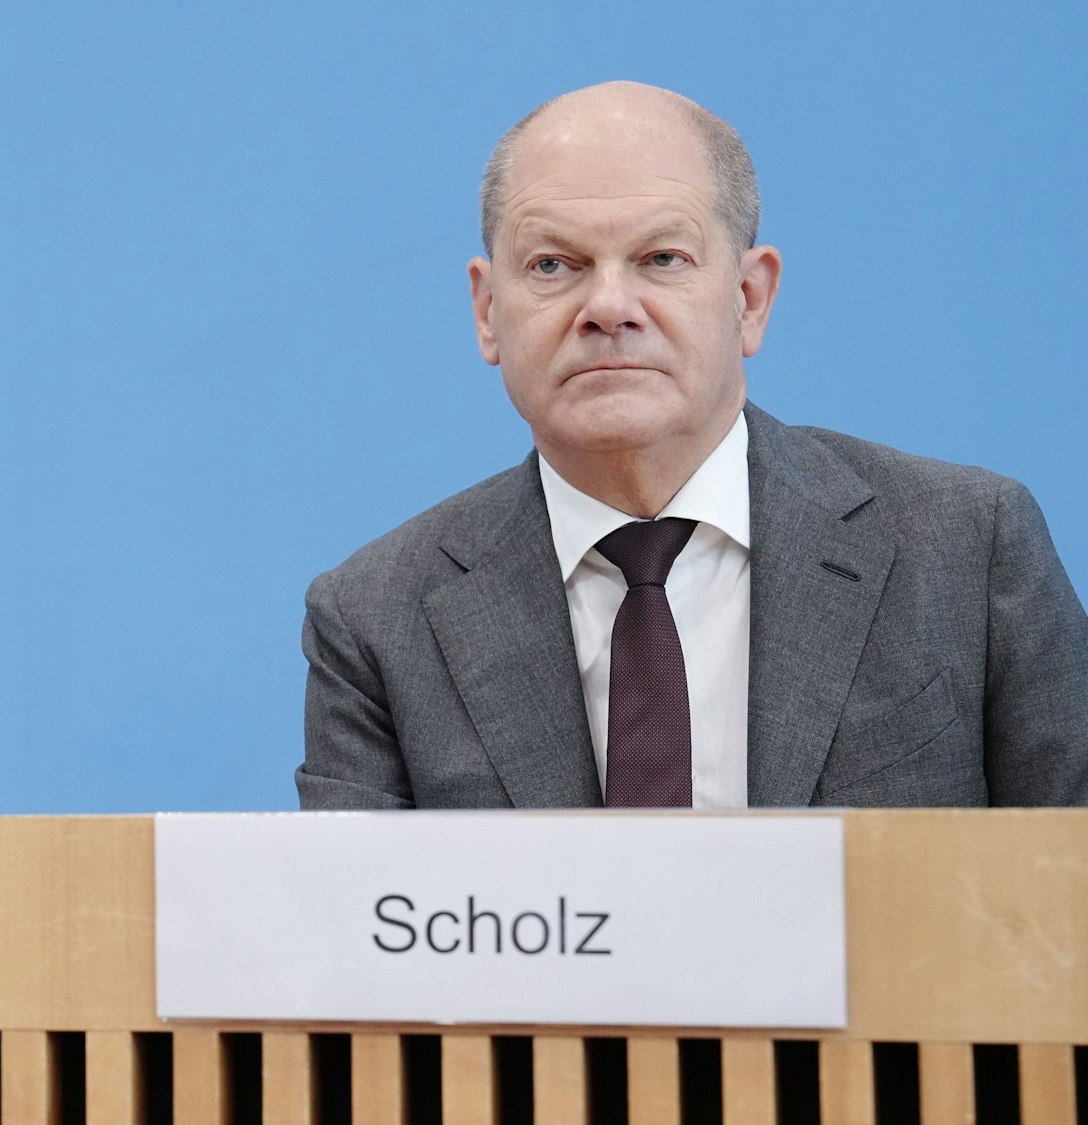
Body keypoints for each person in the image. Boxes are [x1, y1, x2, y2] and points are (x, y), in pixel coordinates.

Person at [298, 81, 1088, 810]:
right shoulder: (377, 617)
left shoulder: (967, 547)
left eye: (661, 259)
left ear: (749, 298)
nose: (608, 306)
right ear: (486, 309)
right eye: (553, 265)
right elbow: (351, 943)